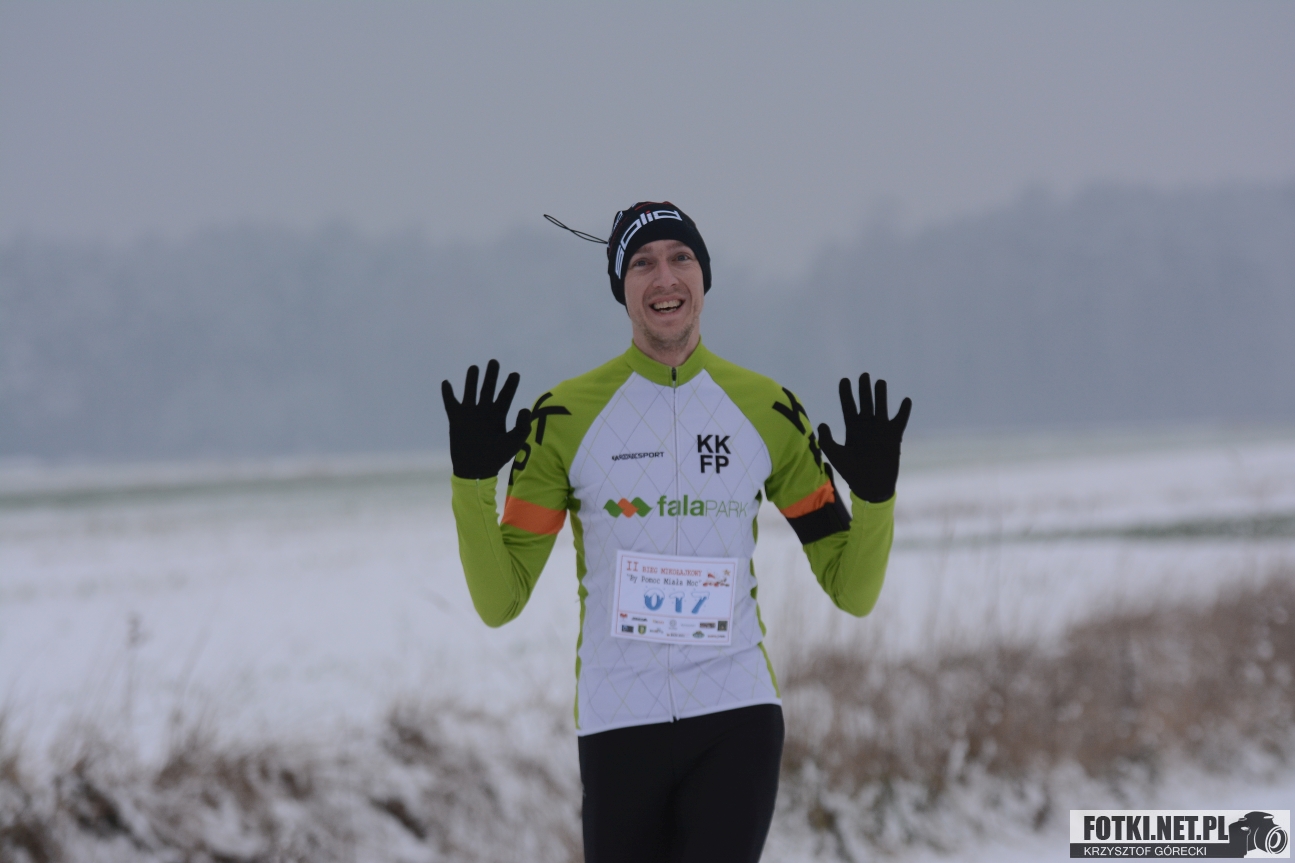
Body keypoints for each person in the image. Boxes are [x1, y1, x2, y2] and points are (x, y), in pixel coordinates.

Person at [442, 201, 911, 863]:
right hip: (618, 722)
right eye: (642, 263)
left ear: (704, 276)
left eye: (680, 257)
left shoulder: (767, 409)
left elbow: (852, 590)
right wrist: (470, 482)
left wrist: (875, 497)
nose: (664, 277)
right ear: (621, 288)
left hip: (736, 712)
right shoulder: (564, 418)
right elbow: (500, 601)